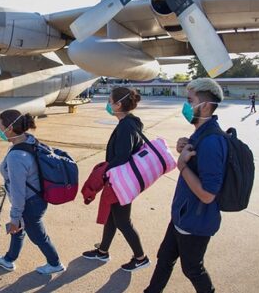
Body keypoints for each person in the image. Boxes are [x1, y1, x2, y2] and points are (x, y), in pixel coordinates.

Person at [145, 78, 227, 293]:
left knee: (192, 269)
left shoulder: (211, 141)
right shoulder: (201, 134)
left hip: (196, 222)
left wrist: (182, 166)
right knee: (164, 258)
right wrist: (185, 145)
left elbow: (208, 195)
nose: (186, 106)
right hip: (182, 216)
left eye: (190, 101)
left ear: (206, 106)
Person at [0, 110, 65, 275]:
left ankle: (55, 263)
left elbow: (18, 192)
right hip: (35, 198)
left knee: (38, 237)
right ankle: (9, 260)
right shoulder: (29, 141)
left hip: (29, 204)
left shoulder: (17, 156)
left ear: (9, 128)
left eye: (0, 126)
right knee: (18, 231)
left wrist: (15, 217)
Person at [82, 87, 150, 272]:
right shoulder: (129, 123)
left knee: (122, 221)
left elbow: (122, 156)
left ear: (119, 104)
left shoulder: (126, 126)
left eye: (110, 101)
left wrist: (104, 172)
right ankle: (102, 251)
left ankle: (140, 257)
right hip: (120, 179)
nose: (108, 104)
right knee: (112, 217)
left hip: (121, 181)